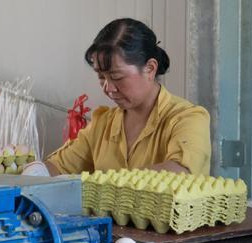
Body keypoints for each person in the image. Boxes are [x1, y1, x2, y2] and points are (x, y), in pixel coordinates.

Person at [23, 18, 211, 177]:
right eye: (101, 77)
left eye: (117, 77)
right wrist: (30, 173)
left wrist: (103, 184)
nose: (108, 88)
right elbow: (60, 166)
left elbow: (180, 172)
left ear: (150, 68)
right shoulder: (103, 124)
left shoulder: (187, 119)